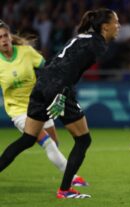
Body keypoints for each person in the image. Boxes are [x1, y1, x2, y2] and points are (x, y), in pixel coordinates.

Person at [0, 8, 120, 199]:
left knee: (28, 139)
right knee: (83, 140)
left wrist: (51, 88)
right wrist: (62, 94)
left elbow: (56, 63)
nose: (118, 26)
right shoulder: (96, 45)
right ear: (105, 27)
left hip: (42, 86)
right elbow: (70, 70)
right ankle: (65, 190)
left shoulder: (83, 37)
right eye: (116, 22)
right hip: (58, 87)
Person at [0, 20, 87, 187]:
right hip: (19, 111)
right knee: (46, 143)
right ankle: (73, 179)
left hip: (39, 103)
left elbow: (48, 69)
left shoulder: (26, 52)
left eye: (5, 35)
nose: (3, 39)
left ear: (10, 36)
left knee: (54, 143)